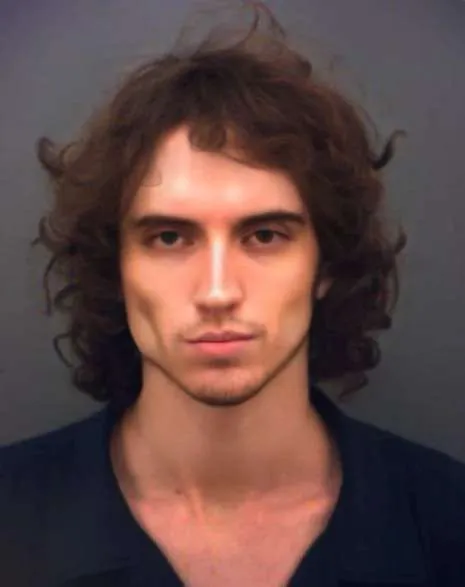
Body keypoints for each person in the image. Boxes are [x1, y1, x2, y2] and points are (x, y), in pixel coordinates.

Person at [1, 2, 464, 586]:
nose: (218, 290)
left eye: (264, 235)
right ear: (115, 266)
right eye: (169, 238)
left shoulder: (449, 523)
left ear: (326, 264)